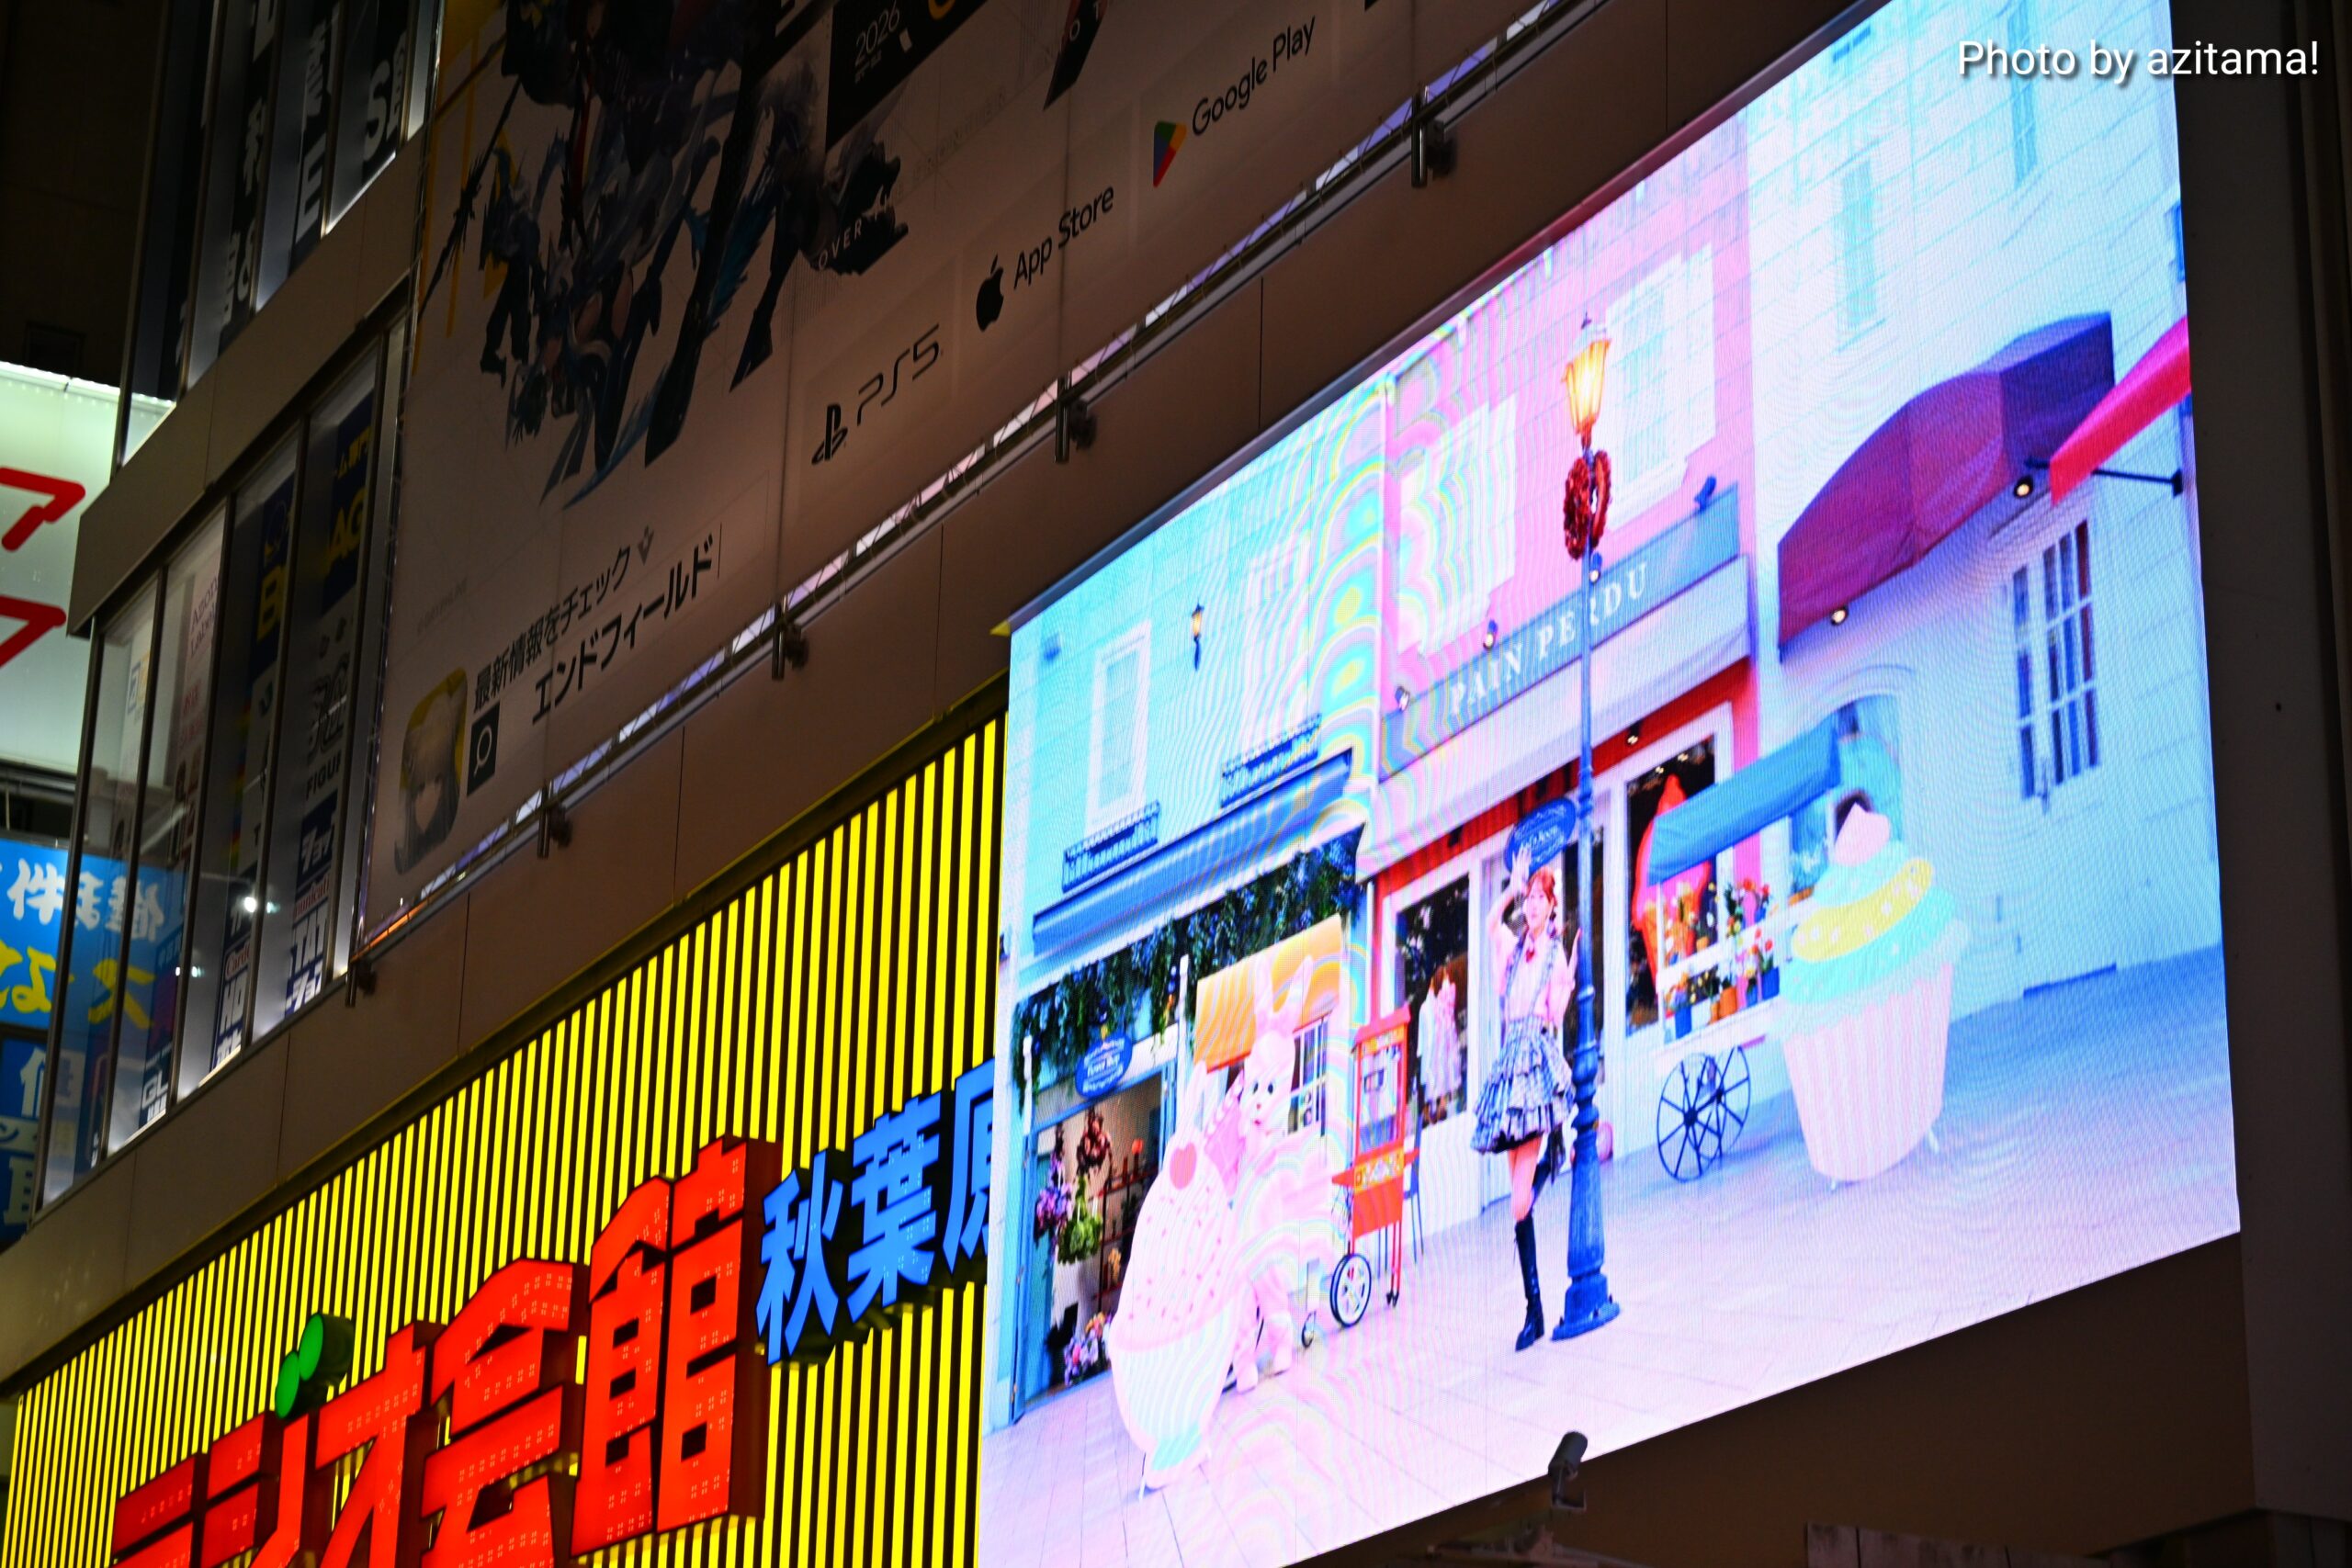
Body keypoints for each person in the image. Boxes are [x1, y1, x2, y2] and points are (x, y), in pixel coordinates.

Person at [1472, 846, 1577, 1350]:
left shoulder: (1553, 955)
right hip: (1508, 1064)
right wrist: (1510, 889)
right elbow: (1489, 924)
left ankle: (1534, 1311)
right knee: (1518, 1202)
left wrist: (1568, 978)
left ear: (1552, 907)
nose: (1533, 905)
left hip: (1533, 1062)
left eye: (1540, 897)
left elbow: (1554, 1014)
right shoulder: (1514, 952)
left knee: (1518, 1199)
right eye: (1529, 897)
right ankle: (1533, 1310)